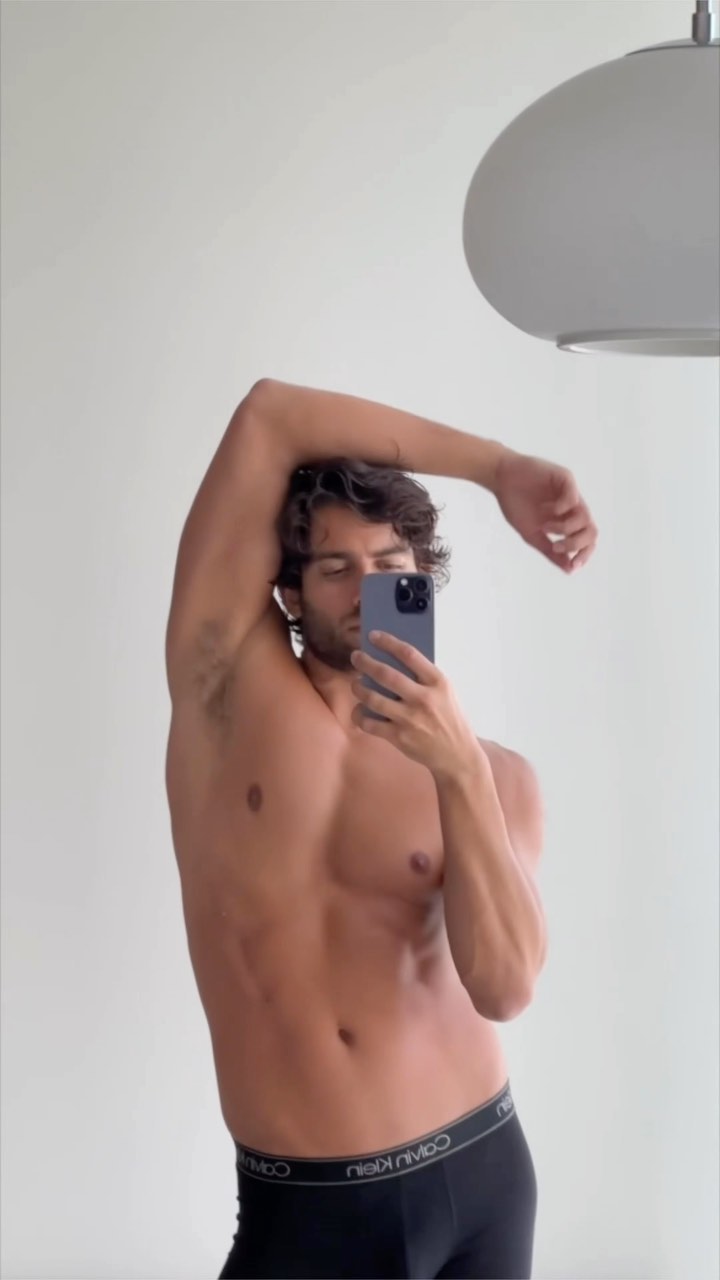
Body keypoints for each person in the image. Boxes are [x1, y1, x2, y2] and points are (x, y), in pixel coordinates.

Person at [164, 379, 598, 1279]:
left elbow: (505, 988)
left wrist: (458, 772)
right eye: (335, 568)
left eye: (391, 564)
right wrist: (498, 468)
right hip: (308, 1206)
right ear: (288, 592)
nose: (368, 590)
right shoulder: (225, 694)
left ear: (422, 579)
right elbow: (270, 415)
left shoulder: (498, 776)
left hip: (483, 1175)